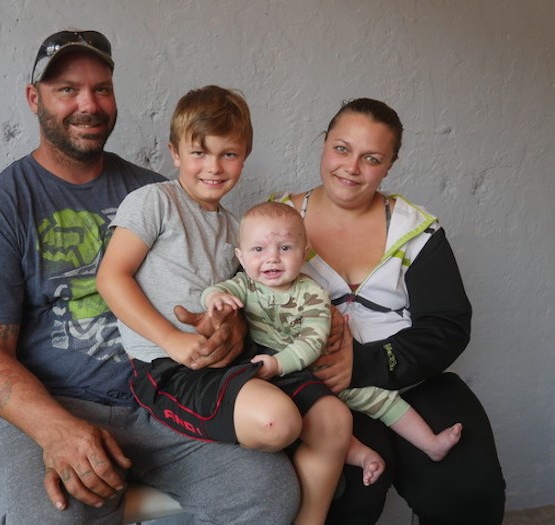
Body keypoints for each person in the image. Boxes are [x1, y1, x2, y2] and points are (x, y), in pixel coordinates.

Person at [0, 30, 301, 525]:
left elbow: (224, 294)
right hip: (55, 407)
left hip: (167, 397)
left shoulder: (162, 193)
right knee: (52, 515)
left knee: (268, 490)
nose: (88, 104)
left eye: (102, 89)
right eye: (67, 89)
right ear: (34, 99)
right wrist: (56, 431)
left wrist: (228, 331)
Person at [97, 85, 351, 525]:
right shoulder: (155, 202)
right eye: (199, 153)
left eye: (228, 154)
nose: (213, 168)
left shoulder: (240, 230)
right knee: (279, 423)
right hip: (166, 366)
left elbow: (254, 297)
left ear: (245, 155)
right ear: (174, 153)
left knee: (333, 419)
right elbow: (110, 277)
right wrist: (174, 341)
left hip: (231, 363)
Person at [272, 97, 506, 524]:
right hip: (314, 386)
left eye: (372, 158)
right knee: (353, 494)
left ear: (390, 165)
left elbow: (447, 326)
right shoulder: (277, 221)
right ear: (324, 144)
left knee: (469, 491)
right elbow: (252, 309)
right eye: (342, 149)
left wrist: (364, 363)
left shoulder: (416, 230)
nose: (351, 167)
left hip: (410, 376)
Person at [202, 201, 463, 487]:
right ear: (241, 256)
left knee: (378, 399)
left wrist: (278, 364)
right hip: (286, 379)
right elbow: (219, 290)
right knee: (319, 419)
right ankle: (362, 455)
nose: (272, 259)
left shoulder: (312, 293)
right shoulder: (245, 285)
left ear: (304, 253)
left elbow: (312, 342)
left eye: (285, 248)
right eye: (258, 250)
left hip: (320, 369)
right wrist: (214, 299)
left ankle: (430, 443)